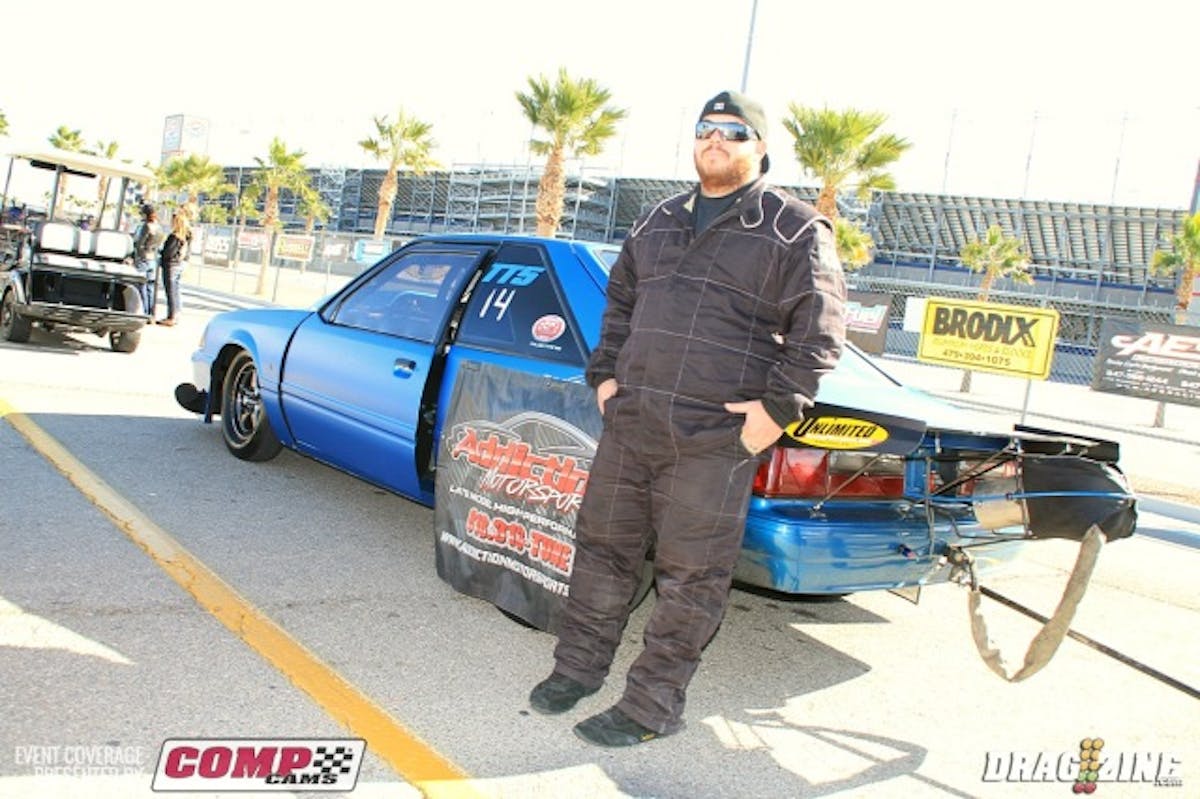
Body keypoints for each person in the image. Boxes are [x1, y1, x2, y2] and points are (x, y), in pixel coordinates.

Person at [529, 91, 848, 746]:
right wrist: (606, 379)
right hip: (632, 424)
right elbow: (619, 305)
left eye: (734, 131)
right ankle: (578, 668)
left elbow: (819, 336)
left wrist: (774, 414)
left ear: (760, 147)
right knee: (602, 551)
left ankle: (652, 706)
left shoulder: (794, 228)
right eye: (707, 128)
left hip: (713, 439)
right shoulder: (658, 220)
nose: (716, 139)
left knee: (690, 578)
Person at [131, 204, 165, 317]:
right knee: (150, 286)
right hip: (153, 258)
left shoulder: (146, 226)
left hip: (143, 258)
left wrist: (136, 256)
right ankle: (150, 312)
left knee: (141, 285)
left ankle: (144, 311)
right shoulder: (159, 227)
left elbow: (139, 243)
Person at [157, 210, 191, 326]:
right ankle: (176, 314)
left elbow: (168, 253)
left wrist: (161, 253)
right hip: (178, 264)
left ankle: (171, 316)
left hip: (170, 265)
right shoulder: (185, 236)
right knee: (176, 290)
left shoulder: (174, 237)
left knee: (171, 291)